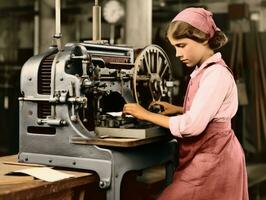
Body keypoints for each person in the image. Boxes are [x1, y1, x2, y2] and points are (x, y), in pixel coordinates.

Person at [123, 7, 249, 200]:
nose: (177, 53)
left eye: (181, 45)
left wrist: (145, 114)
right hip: (210, 154)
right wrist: (179, 109)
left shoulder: (216, 75)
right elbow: (212, 112)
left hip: (217, 159)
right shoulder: (204, 71)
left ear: (204, 38)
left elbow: (191, 126)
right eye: (174, 47)